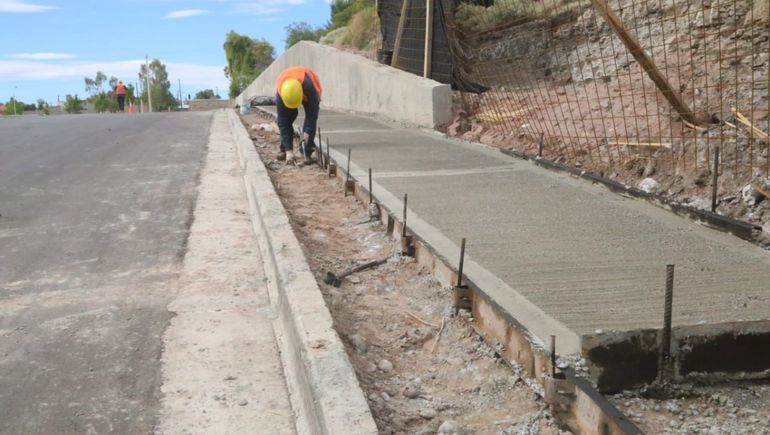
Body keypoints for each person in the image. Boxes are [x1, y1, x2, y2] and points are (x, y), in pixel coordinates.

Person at [275, 66, 322, 164]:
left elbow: (312, 115)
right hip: (289, 91)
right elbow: (282, 122)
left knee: (310, 122)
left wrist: (307, 133)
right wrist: (289, 152)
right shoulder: (280, 94)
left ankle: (306, 152)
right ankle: (285, 149)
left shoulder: (310, 88)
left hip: (307, 89)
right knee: (286, 120)